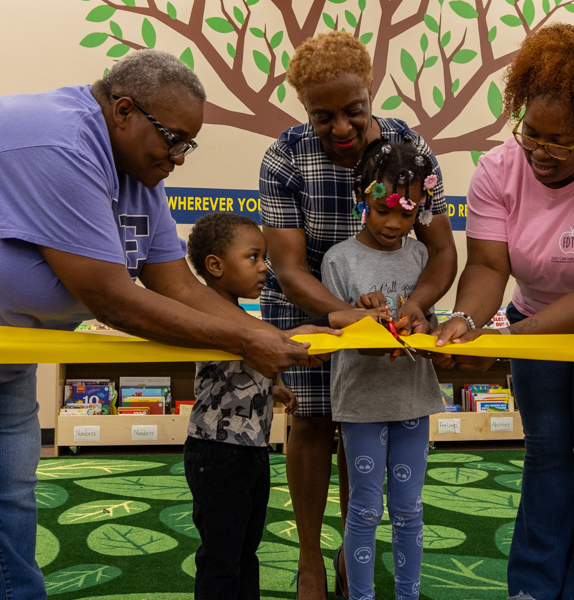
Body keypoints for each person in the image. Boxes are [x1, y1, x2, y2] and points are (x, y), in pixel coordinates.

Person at [0, 50, 330, 600]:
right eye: (173, 138)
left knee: (9, 493)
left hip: (2, 338)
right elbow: (113, 300)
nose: (180, 156)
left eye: (188, 144)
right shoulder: (60, 141)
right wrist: (248, 339)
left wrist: (274, 339)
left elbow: (179, 286)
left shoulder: (140, 176)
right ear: (124, 110)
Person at [431, 24, 574, 600]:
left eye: (559, 142)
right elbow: (488, 267)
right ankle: (534, 588)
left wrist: (513, 339)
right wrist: (468, 320)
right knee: (547, 447)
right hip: (532, 308)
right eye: (530, 133)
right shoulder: (497, 169)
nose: (539, 152)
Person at [259, 30, 457, 599]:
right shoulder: (286, 156)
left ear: (371, 93)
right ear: (304, 109)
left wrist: (414, 306)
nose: (340, 128)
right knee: (313, 424)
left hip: (390, 306)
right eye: (323, 117)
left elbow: (441, 249)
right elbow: (291, 269)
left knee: (362, 429)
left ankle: (352, 557)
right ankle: (309, 562)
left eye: (353, 111)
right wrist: (345, 315)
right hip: (309, 307)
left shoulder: (407, 148)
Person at [183, 212, 388, 600]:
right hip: (217, 453)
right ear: (215, 265)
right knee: (221, 556)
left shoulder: (243, 318)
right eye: (253, 258)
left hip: (249, 452)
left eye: (265, 258)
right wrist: (296, 338)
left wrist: (273, 387)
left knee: (245, 549)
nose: (265, 268)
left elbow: (238, 365)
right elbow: (242, 346)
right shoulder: (206, 312)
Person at [322, 141, 444, 600]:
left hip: (413, 399)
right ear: (362, 196)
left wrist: (423, 329)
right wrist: (365, 322)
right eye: (382, 210)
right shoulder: (339, 260)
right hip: (362, 405)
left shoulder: (420, 258)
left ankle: (409, 595)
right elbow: (342, 334)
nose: (394, 224)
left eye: (408, 214)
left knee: (410, 508)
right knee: (365, 509)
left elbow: (427, 327)